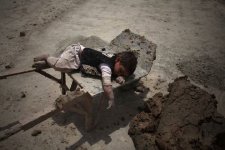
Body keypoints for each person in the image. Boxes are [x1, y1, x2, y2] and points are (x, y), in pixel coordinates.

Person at [33, 43, 137, 109]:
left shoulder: (115, 61)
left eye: (123, 74)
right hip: (76, 53)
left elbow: (119, 73)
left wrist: (122, 76)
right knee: (58, 66)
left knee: (67, 67)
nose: (119, 74)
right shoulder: (107, 66)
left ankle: (48, 62)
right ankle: (47, 57)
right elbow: (107, 86)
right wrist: (111, 98)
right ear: (118, 60)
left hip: (79, 62)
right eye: (120, 71)